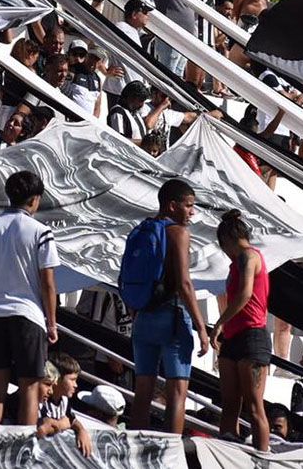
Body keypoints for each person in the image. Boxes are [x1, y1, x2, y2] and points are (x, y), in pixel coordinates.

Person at [0, 170, 60, 425]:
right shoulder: (41, 232)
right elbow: (48, 283)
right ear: (35, 199)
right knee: (30, 386)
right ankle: (25, 448)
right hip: (29, 315)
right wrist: (51, 322)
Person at [126, 179, 210, 434]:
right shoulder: (179, 233)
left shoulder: (141, 229)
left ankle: (137, 450)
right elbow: (184, 283)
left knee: (142, 390)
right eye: (188, 206)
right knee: (177, 392)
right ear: (172, 206)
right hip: (171, 316)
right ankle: (172, 454)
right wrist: (201, 328)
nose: (192, 212)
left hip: (143, 318)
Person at [208, 210, 272, 451]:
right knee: (229, 403)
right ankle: (228, 450)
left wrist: (219, 323)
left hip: (252, 335)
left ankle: (262, 457)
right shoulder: (237, 263)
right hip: (235, 336)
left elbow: (245, 293)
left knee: (254, 406)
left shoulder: (249, 256)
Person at [37, 353, 92, 457]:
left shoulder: (64, 400)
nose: (76, 385)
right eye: (72, 380)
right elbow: (43, 428)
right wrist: (61, 424)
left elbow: (71, 420)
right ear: (58, 379)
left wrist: (81, 430)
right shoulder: (43, 400)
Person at [107, 80, 149, 145]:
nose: (142, 105)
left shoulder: (135, 113)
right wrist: (144, 143)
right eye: (140, 100)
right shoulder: (118, 112)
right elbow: (118, 140)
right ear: (131, 97)